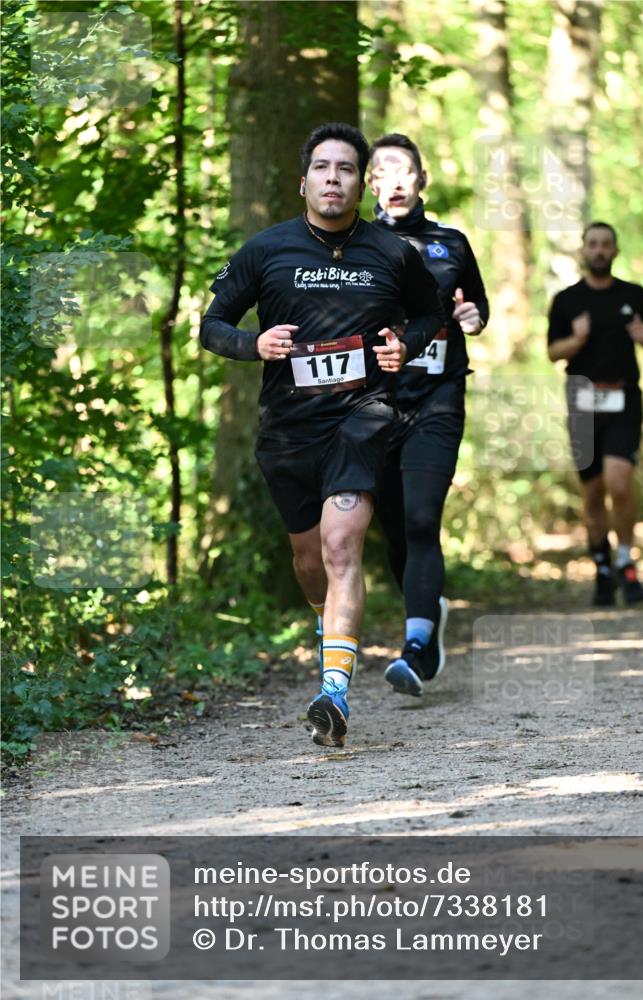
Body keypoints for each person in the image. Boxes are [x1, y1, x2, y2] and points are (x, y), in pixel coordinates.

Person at [200, 123, 442, 746]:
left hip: (362, 416)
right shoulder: (266, 250)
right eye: (323, 168)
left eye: (346, 170)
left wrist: (403, 346)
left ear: (361, 183)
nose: (334, 179)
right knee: (310, 560)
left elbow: (429, 313)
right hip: (287, 430)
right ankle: (328, 627)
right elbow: (211, 324)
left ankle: (333, 692)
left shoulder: (391, 253)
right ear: (303, 180)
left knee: (341, 546)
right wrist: (252, 343)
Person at [368, 133, 489, 697]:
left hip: (437, 398)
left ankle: (416, 646)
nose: (393, 179)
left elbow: (478, 307)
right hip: (371, 405)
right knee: (394, 530)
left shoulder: (451, 243)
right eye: (382, 170)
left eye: (404, 170)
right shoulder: (354, 245)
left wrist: (471, 315)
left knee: (421, 520)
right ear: (369, 182)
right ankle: (429, 611)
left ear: (422, 180)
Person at [547, 221, 643, 605]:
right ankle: (602, 567)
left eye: (605, 245)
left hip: (624, 400)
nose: (599, 250)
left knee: (620, 484)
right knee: (593, 491)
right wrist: (576, 339)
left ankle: (627, 562)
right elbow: (552, 352)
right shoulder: (566, 300)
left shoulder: (633, 294)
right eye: (592, 244)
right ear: (584, 249)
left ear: (615, 251)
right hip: (582, 402)